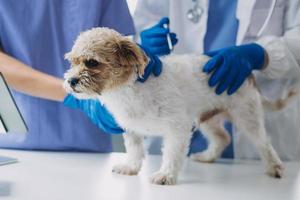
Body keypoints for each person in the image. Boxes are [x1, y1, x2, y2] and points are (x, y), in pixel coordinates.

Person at [133, 0, 300, 160]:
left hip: (261, 131)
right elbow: (144, 23)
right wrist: (143, 47)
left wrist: (261, 54)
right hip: (175, 122)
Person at [0, 0, 161, 152]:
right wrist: (75, 96)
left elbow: (114, 48)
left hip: (89, 144)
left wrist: (139, 58)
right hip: (16, 143)